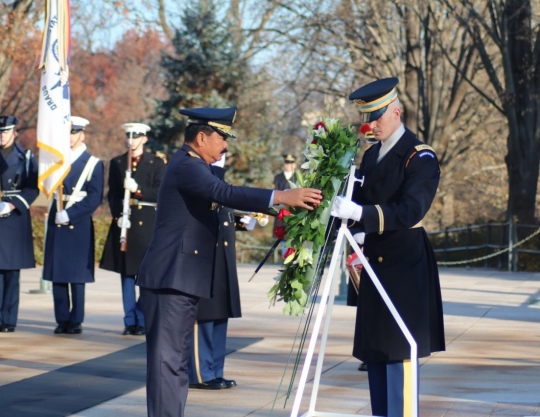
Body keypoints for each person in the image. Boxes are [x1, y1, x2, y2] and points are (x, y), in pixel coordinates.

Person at [136, 106, 322, 417]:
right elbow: (222, 191)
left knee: (176, 363)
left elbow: (212, 199)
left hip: (179, 279)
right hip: (170, 280)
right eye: (222, 137)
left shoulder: (196, 166)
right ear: (200, 137)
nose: (226, 145)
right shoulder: (186, 165)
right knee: (167, 363)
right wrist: (280, 196)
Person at [331, 77, 445, 416]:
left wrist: (360, 214)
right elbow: (360, 205)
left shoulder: (419, 156)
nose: (371, 124)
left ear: (396, 111)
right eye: (368, 117)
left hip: (404, 264)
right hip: (374, 264)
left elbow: (411, 210)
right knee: (378, 353)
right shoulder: (371, 156)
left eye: (377, 116)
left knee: (400, 354)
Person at [187, 155, 257, 390]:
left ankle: (215, 370)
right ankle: (200, 373)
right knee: (204, 316)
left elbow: (221, 207)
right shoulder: (197, 173)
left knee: (219, 314)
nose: (222, 153)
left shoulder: (215, 176)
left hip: (222, 255)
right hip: (205, 255)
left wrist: (239, 220)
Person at [100, 123, 165, 336]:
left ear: (144, 139)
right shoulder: (118, 162)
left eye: (136, 136)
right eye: (129, 136)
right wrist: (119, 215)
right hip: (126, 223)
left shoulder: (156, 163)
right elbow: (113, 194)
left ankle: (142, 317)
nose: (132, 140)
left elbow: (160, 193)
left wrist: (138, 190)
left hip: (146, 223)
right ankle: (130, 321)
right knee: (126, 276)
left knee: (145, 275)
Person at [43, 116, 104, 335]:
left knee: (77, 275)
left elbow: (95, 198)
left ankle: (76, 319)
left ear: (82, 134)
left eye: (73, 133)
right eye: (67, 133)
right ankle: (62, 319)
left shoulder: (93, 163)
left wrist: (70, 214)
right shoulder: (56, 160)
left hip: (77, 222)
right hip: (57, 217)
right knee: (58, 273)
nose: (70, 137)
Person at [0, 115, 38, 333]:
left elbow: (33, 188)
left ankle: (8, 319)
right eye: (0, 132)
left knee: (11, 274)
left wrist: (12, 205)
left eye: (5, 132)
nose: (2, 135)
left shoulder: (25, 157)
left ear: (14, 133)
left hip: (14, 218)